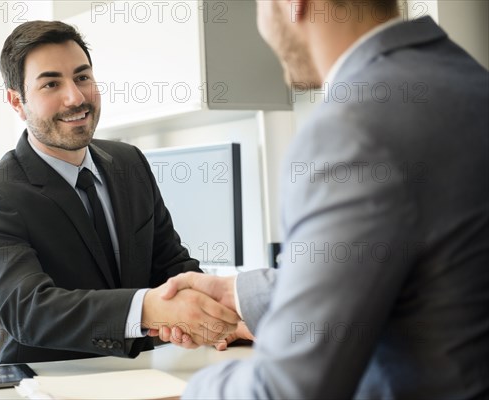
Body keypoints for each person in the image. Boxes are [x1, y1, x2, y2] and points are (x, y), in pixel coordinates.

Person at [159, 0, 489, 398]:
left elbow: (289, 390)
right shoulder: (469, 82)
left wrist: (193, 390)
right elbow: (420, 271)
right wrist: (237, 294)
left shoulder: (352, 127)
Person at [0, 20, 239, 364]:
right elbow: (27, 311)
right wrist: (149, 309)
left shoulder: (129, 162)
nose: (75, 97)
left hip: (140, 372)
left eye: (82, 77)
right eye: (50, 84)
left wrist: (221, 318)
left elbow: (171, 264)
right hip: (46, 381)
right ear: (17, 102)